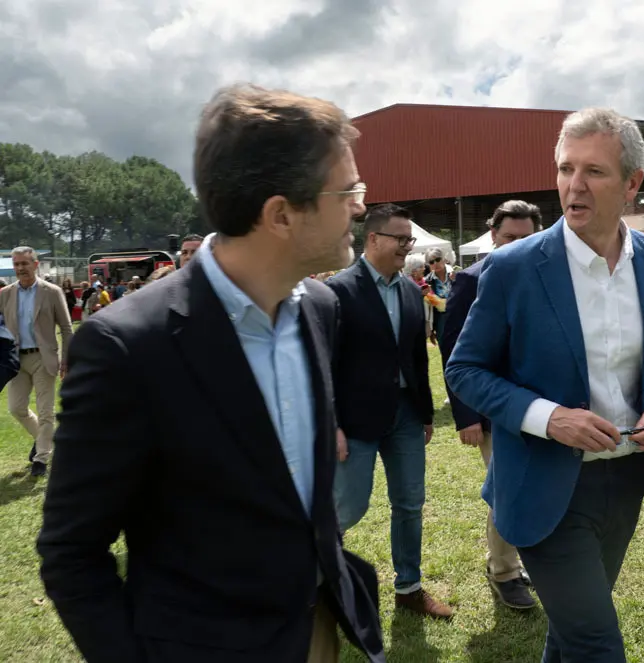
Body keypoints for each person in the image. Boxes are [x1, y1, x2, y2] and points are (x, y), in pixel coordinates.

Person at [37, 83, 384, 663]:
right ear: (280, 215)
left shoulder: (320, 310)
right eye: (348, 189)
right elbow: (71, 552)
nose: (361, 205)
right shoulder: (128, 346)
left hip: (317, 625)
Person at [446, 107, 644, 661]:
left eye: (594, 172)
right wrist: (549, 417)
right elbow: (465, 370)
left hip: (626, 476)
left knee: (574, 631)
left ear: (632, 183)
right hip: (543, 484)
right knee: (596, 641)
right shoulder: (512, 267)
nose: (573, 187)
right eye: (564, 168)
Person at [326, 203, 452, 620]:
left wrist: (426, 413)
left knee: (410, 503)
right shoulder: (337, 291)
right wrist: (333, 424)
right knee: (348, 507)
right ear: (373, 239)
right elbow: (323, 362)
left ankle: (409, 589)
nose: (407, 247)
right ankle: (321, 583)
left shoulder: (410, 291)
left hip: (406, 418)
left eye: (410, 240)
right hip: (355, 420)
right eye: (401, 239)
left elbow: (417, 357)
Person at [439, 199, 542, 610]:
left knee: (533, 487)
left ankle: (517, 561)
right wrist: (466, 415)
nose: (517, 244)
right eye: (509, 237)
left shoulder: (549, 278)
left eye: (526, 237)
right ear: (493, 236)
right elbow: (454, 353)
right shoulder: (471, 280)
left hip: (544, 410)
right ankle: (503, 571)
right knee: (507, 490)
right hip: (493, 410)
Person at [0, 248, 74, 477]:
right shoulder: (5, 293)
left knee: (45, 412)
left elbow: (66, 327)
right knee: (16, 407)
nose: (21, 268)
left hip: (44, 357)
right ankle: (44, 440)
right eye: (17, 264)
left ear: (36, 264)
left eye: (25, 263)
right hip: (15, 359)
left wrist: (67, 360)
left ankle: (41, 458)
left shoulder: (51, 291)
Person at [423, 247, 451, 345]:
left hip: (460, 320)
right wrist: (431, 330)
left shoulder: (457, 274)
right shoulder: (426, 282)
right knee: (446, 354)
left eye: (438, 259)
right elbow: (427, 309)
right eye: (431, 262)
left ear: (444, 259)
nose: (435, 263)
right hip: (440, 324)